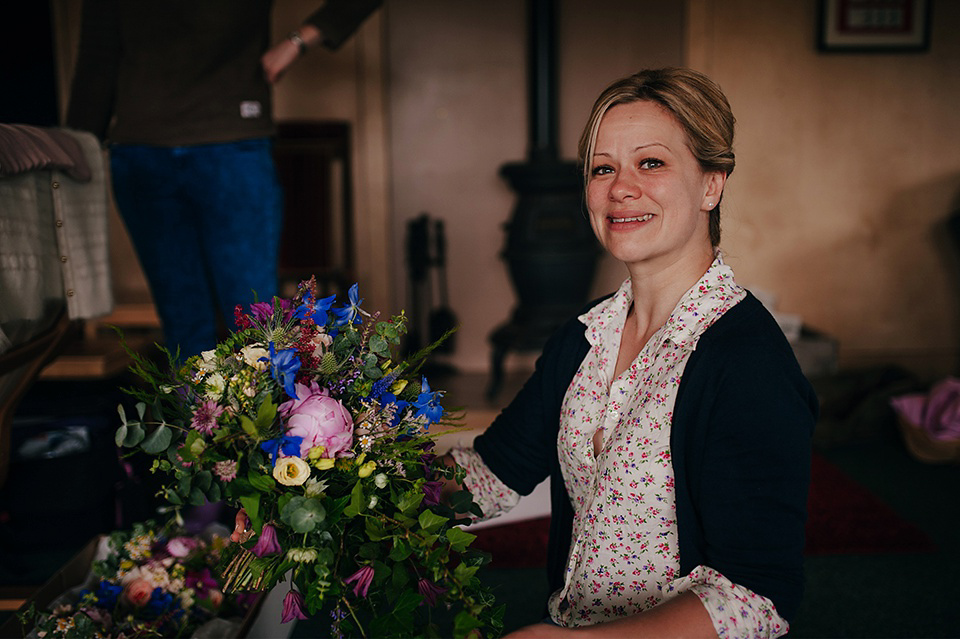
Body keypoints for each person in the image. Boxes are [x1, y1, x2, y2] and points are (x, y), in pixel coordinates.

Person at [443, 68, 818, 638]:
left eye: (651, 163)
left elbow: (756, 596)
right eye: (602, 168)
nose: (620, 187)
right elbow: (496, 472)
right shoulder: (582, 337)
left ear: (711, 184)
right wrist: (349, 482)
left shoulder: (746, 360)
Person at [66, 0, 381, 359]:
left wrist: (296, 41)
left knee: (256, 327)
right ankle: (195, 414)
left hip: (233, 141)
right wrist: (71, 157)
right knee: (184, 327)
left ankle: (272, 413)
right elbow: (97, 54)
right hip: (142, 151)